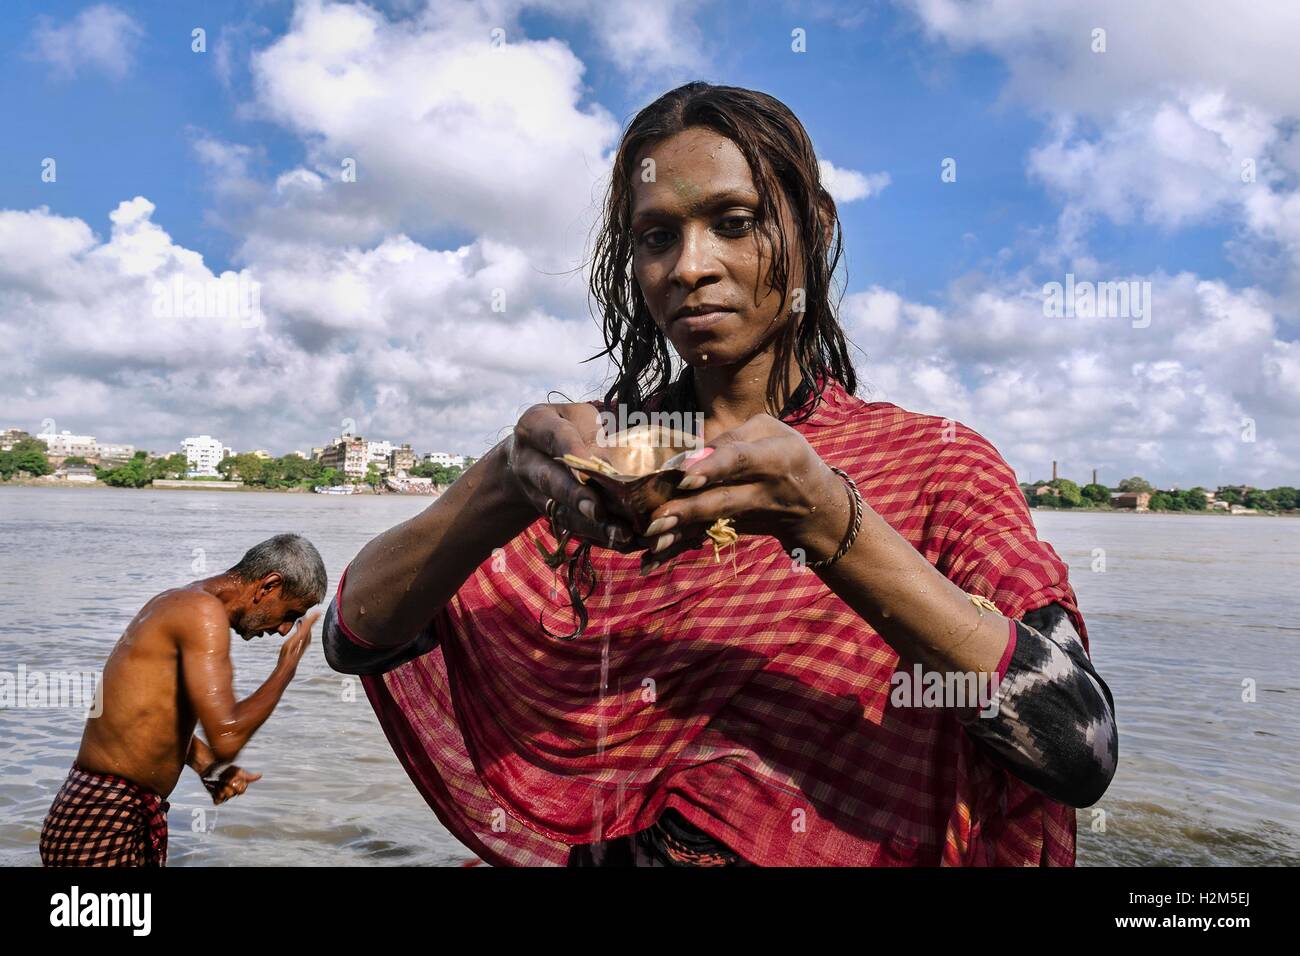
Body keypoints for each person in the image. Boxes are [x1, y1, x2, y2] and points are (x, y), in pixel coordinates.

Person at [324, 82, 1118, 866]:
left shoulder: (932, 464)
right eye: (656, 237)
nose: (689, 267)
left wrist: (831, 525)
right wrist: (502, 480)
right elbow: (354, 634)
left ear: (816, 228)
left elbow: (1079, 746)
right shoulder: (606, 462)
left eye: (734, 224)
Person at [39, 534, 326, 866]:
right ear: (268, 586)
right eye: (290, 613)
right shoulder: (200, 613)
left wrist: (206, 766)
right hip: (101, 818)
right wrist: (286, 668)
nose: (284, 630)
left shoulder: (184, 603)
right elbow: (227, 737)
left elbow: (144, 715)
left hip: (107, 811)